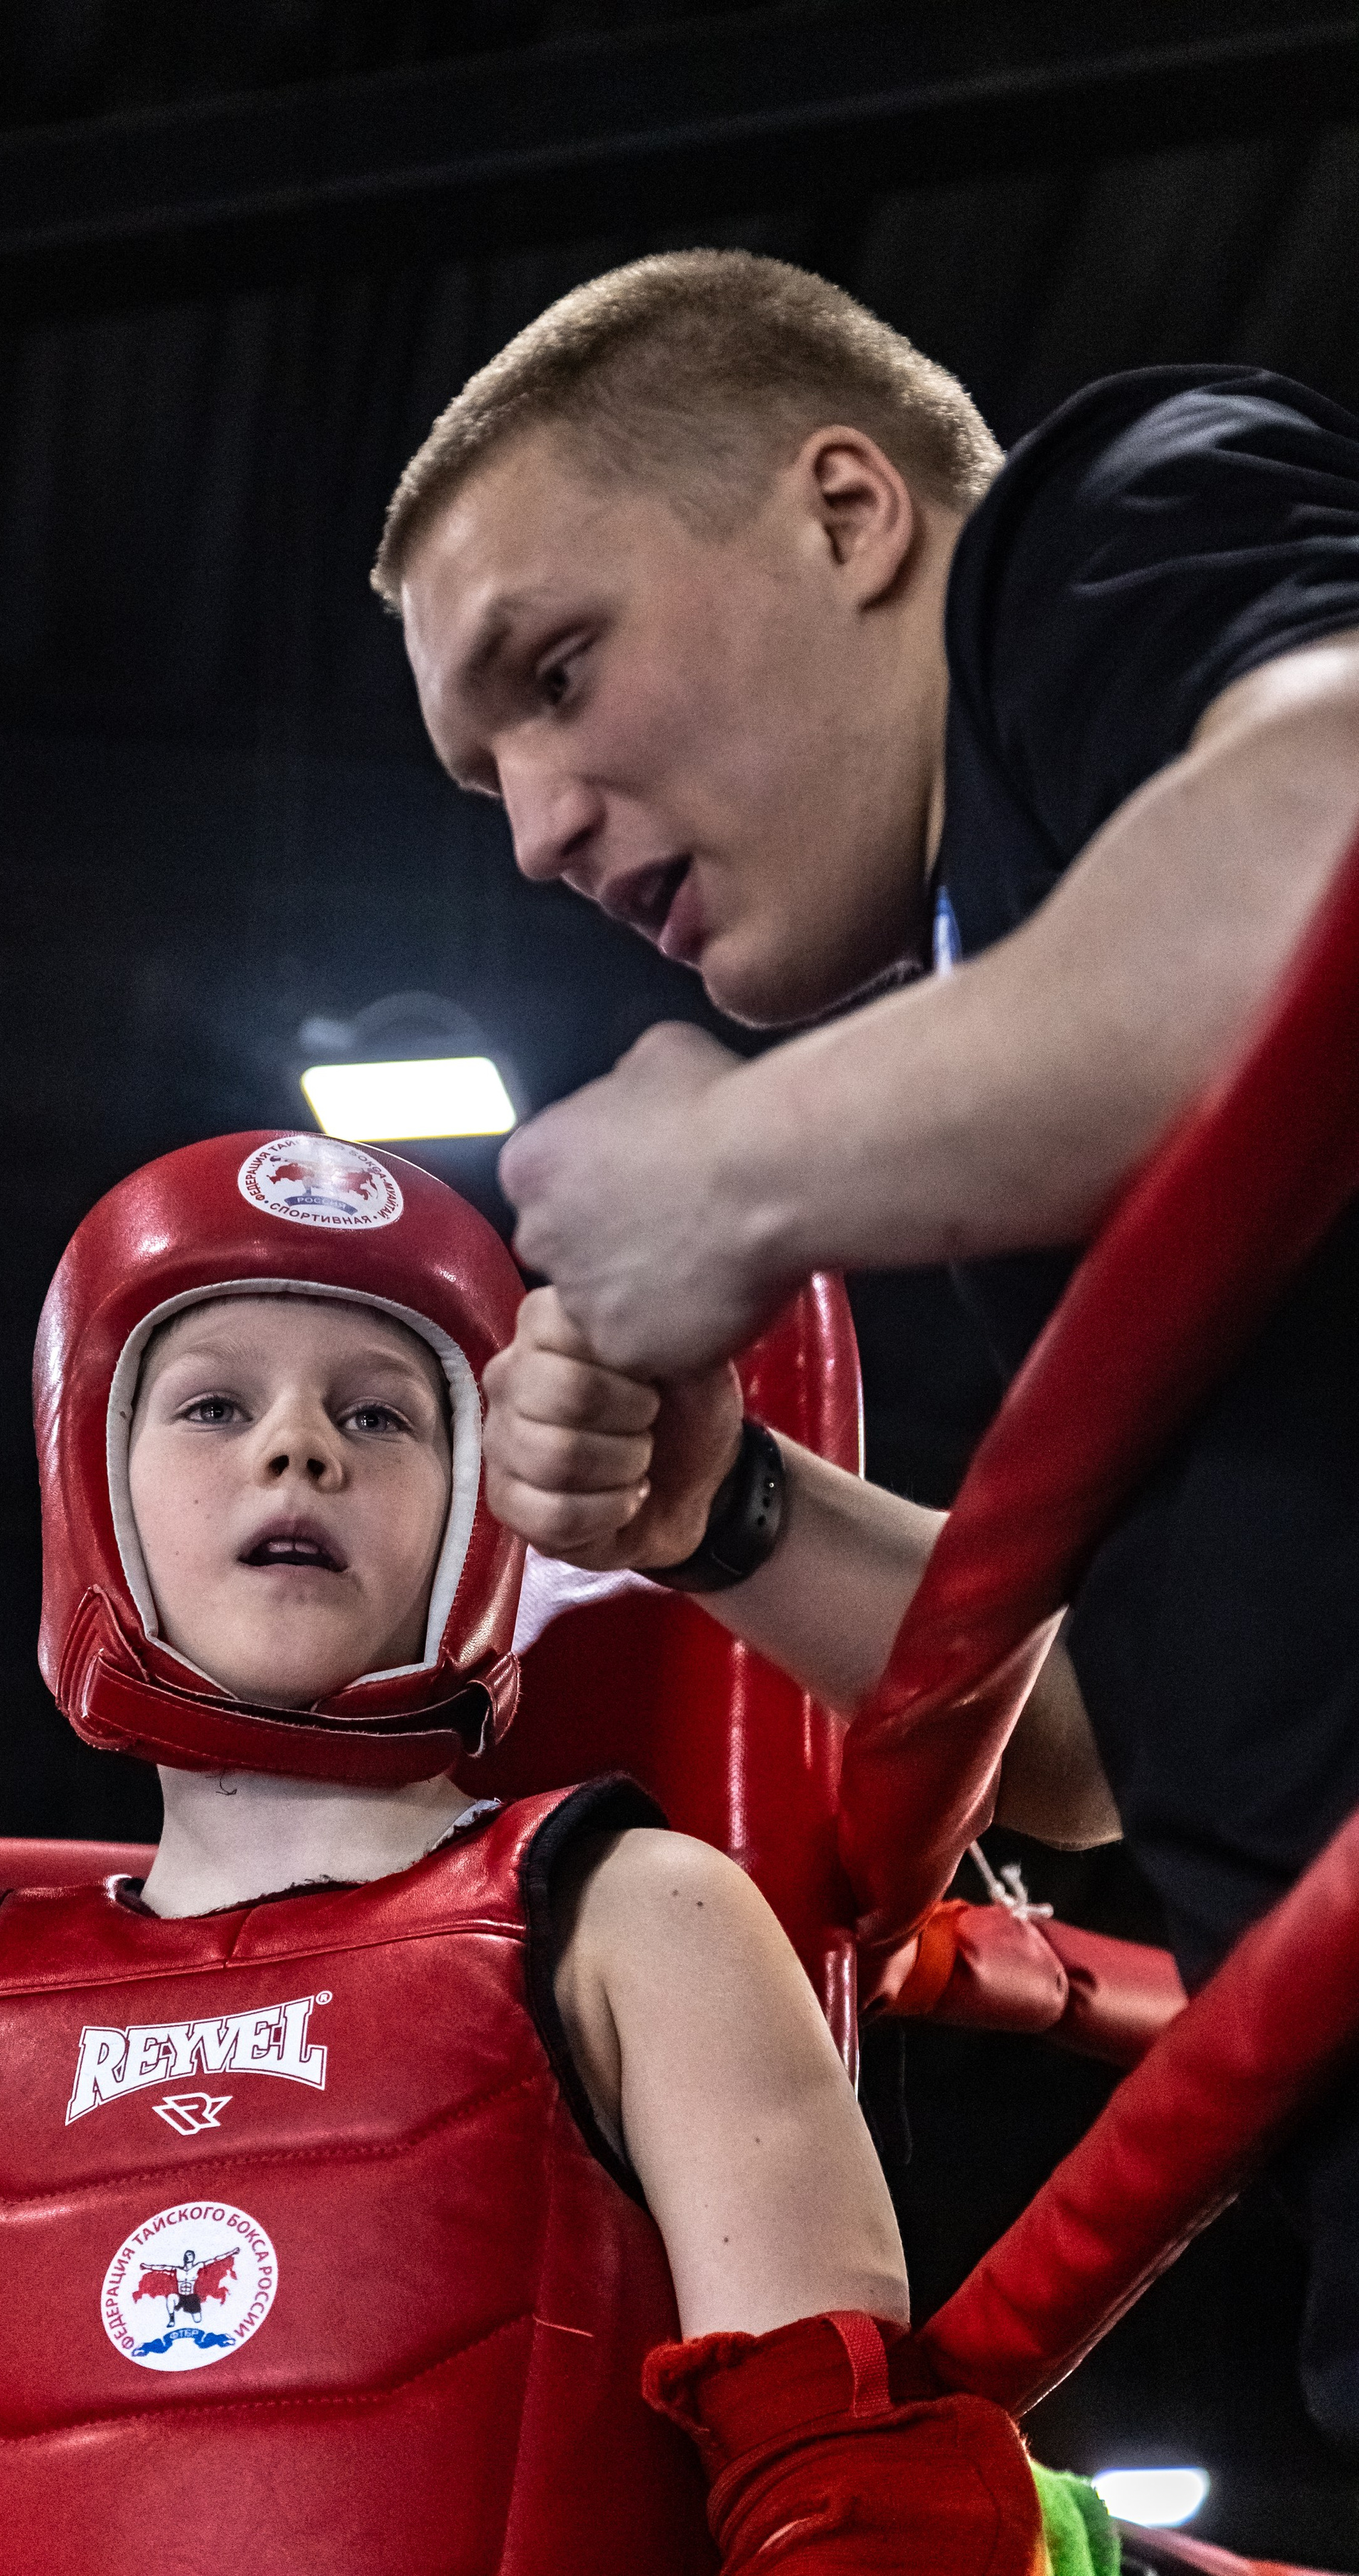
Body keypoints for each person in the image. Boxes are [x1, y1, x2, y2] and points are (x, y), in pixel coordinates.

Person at [372, 249, 1359, 2439]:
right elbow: (1116, 1752)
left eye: (556, 671)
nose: (536, 828)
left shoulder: (1105, 528)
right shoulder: (1024, 1027)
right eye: (483, 779)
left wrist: (724, 1175)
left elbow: (1331, 857)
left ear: (847, 512)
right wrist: (718, 1510)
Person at [0, 1128, 1067, 2576]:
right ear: (90, 1491)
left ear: (479, 1506)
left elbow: (848, 2498)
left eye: (377, 1419)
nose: (295, 1445)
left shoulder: (635, 1923)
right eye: (214, 1405)